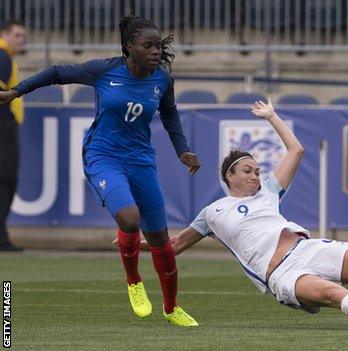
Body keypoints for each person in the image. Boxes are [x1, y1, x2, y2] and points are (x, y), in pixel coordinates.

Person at [125, 98, 348, 327]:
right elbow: (176, 245)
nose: (255, 175)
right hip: (282, 276)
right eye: (247, 170)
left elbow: (296, 149)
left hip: (309, 248)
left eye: (257, 170)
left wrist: (271, 116)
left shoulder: (269, 193)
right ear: (229, 175)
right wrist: (140, 245)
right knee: (336, 295)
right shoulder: (213, 212)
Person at [0, 15, 202, 326]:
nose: (155, 52)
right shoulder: (105, 70)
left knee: (161, 240)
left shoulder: (162, 80)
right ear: (129, 47)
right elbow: (56, 73)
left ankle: (172, 308)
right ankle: (133, 281)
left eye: (158, 46)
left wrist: (183, 150)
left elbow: (170, 114)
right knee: (130, 218)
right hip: (103, 155)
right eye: (148, 46)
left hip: (141, 160)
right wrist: (18, 90)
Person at [0, 20, 26, 252]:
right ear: (4, 34)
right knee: (5, 179)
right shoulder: (2, 56)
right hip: (3, 126)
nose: (21, 40)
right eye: (17, 35)